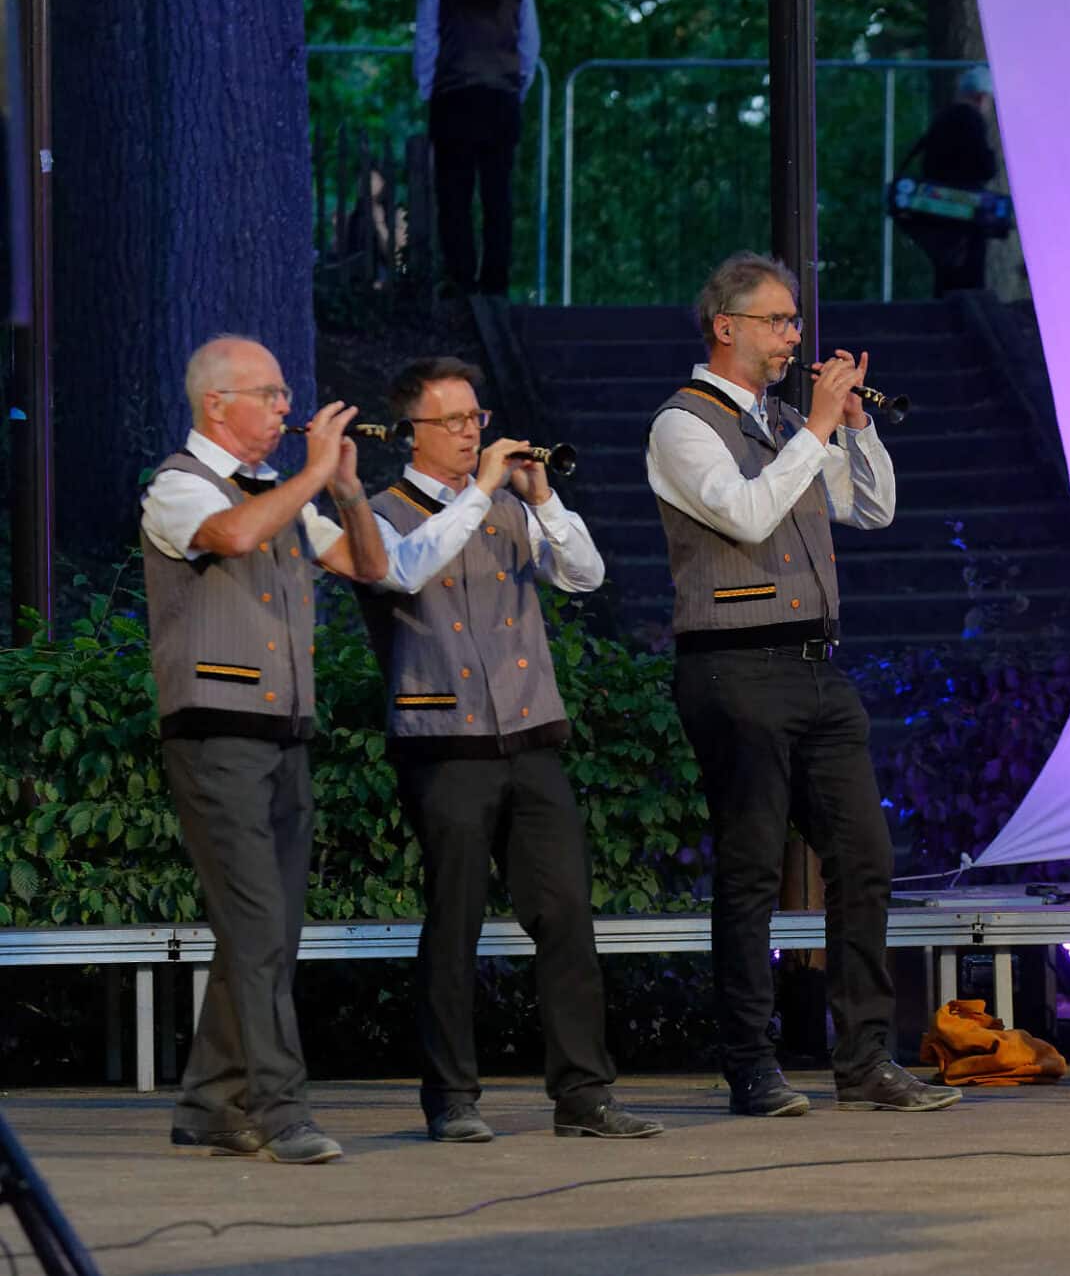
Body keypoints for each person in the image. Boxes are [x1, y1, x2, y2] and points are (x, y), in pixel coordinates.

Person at [646, 251, 961, 1117]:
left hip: (818, 671)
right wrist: (817, 428)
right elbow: (745, 512)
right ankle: (751, 1063)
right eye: (779, 321)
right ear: (727, 327)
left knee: (865, 857)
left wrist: (852, 427)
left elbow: (871, 509)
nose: (794, 336)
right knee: (750, 872)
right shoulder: (682, 423)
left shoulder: (793, 419)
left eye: (793, 321)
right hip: (733, 665)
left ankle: (865, 1060)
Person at [360, 356, 662, 1142]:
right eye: (453, 422)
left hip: (531, 736)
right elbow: (408, 571)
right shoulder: (381, 512)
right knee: (453, 920)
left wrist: (545, 498)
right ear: (411, 433)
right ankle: (452, 1097)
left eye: (476, 418)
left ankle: (585, 1095)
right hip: (442, 739)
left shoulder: (504, 505)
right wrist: (480, 490)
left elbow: (587, 577)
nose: (471, 433)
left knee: (565, 914)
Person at [141, 336, 389, 1165]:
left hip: (284, 733)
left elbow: (370, 563)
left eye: (285, 395)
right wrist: (314, 474)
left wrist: (347, 490)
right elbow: (235, 537)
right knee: (256, 927)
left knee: (269, 928)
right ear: (218, 404)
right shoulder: (179, 483)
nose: (287, 409)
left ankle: (212, 1103)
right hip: (215, 731)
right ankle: (281, 1112)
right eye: (271, 394)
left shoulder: (283, 493)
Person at [414, 0, 539, 296]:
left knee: (454, 195)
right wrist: (516, 86)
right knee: (497, 196)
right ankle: (496, 278)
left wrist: (428, 88)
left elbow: (427, 38)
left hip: (454, 96)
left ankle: (461, 276)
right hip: (500, 97)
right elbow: (529, 43)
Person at [899, 65, 997, 295]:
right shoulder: (972, 121)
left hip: (938, 206)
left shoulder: (942, 118)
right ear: (981, 98)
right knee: (969, 275)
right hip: (965, 209)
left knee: (945, 273)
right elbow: (984, 167)